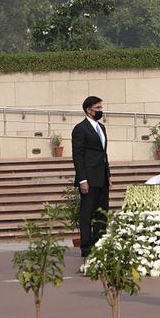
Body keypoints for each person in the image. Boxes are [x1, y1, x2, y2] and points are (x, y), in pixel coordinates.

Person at [72, 96, 111, 258]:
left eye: (101, 107)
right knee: (87, 213)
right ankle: (86, 246)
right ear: (88, 110)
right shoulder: (80, 129)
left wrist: (108, 174)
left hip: (102, 177)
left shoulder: (101, 127)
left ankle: (99, 242)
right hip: (88, 178)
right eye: (98, 108)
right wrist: (82, 179)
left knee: (102, 212)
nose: (101, 111)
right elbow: (78, 155)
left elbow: (103, 153)